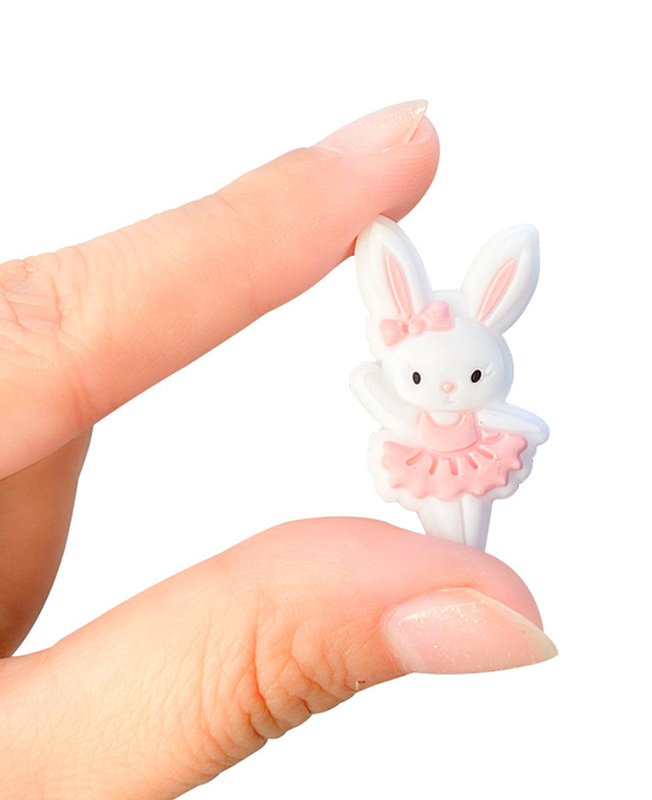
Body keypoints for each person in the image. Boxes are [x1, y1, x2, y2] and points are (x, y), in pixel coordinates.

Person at [0, 101, 557, 799]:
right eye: (424, 378)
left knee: (466, 527)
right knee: (452, 530)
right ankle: (461, 560)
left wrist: (517, 427)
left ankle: (464, 559)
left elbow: (513, 420)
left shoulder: (480, 401)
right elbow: (373, 387)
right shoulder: (402, 387)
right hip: (425, 463)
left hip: (475, 457)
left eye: (470, 376)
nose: (448, 386)